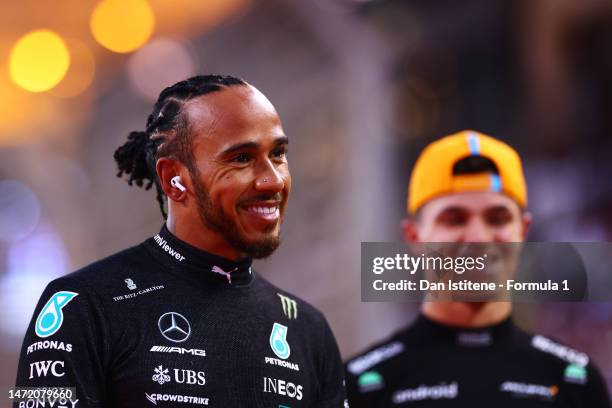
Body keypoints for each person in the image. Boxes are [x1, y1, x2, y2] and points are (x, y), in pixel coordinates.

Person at [15, 75, 348, 407]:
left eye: (277, 154)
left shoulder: (309, 329)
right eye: (241, 158)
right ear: (174, 180)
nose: (272, 180)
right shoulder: (80, 305)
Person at [344, 130, 611, 407]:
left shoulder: (575, 381)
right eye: (455, 219)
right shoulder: (361, 384)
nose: (478, 236)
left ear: (523, 230)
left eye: (497, 218)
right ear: (414, 237)